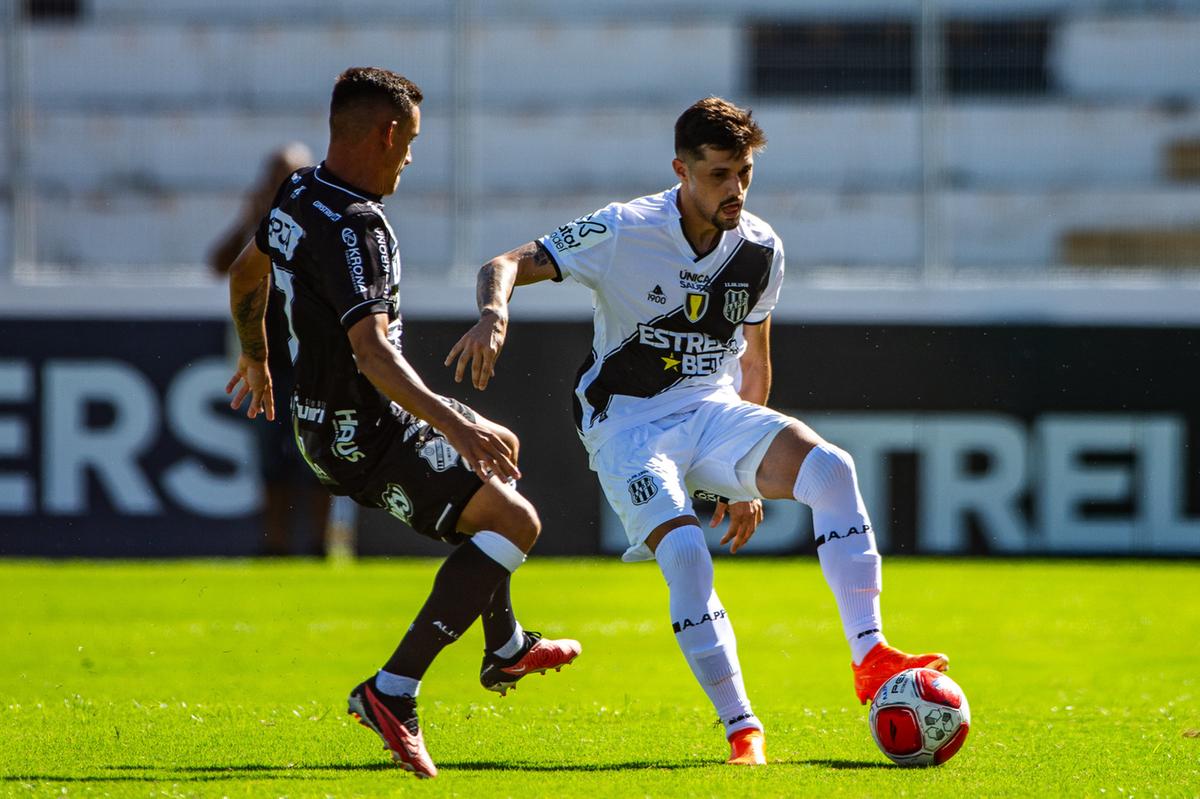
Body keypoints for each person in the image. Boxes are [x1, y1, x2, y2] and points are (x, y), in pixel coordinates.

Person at [447, 97, 948, 766]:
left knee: (832, 469)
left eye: (743, 172)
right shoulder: (624, 229)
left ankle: (870, 654)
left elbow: (757, 357)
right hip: (627, 422)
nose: (734, 190)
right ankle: (743, 728)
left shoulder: (760, 247)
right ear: (681, 170)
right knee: (686, 553)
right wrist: (492, 315)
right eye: (718, 175)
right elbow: (505, 263)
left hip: (712, 410)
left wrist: (745, 486)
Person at [224, 67, 581, 778]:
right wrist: (453, 420)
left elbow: (244, 274)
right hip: (364, 435)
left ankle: (504, 641)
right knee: (517, 522)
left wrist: (257, 359)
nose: (412, 157)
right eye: (411, 140)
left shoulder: (300, 191)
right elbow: (372, 350)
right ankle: (393, 690)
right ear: (388, 133)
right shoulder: (361, 226)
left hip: (324, 422)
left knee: (499, 453)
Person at [210, 142, 334, 557]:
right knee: (271, 458)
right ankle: (275, 543)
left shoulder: (319, 216)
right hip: (267, 360)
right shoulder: (261, 222)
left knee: (319, 456)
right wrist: (251, 218)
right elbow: (222, 264)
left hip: (312, 357)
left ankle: (320, 543)